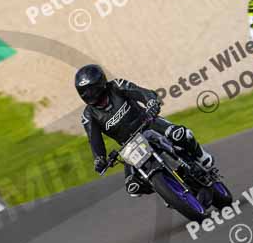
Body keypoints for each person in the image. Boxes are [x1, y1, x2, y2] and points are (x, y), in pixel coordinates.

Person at [75, 64, 213, 197]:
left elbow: (141, 93)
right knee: (133, 187)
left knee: (180, 134)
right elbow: (95, 140)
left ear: (101, 83)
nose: (88, 94)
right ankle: (168, 190)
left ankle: (201, 156)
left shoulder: (117, 85)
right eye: (84, 91)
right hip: (129, 146)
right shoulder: (88, 115)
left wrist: (151, 102)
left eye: (91, 89)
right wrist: (99, 159)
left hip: (148, 124)